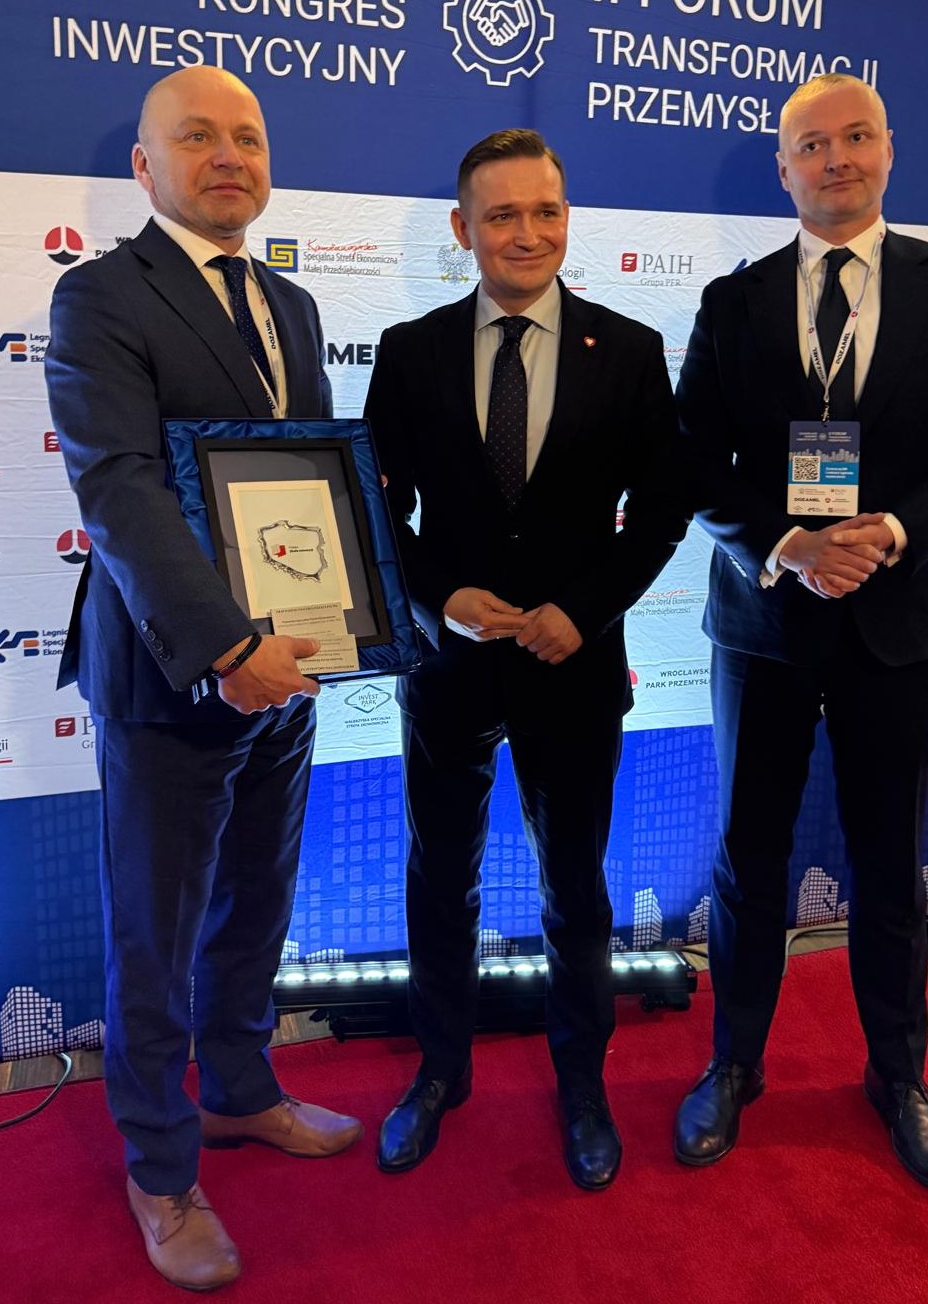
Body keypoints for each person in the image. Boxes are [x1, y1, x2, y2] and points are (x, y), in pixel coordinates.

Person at [673, 74, 928, 1192]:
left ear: (889, 150)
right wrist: (787, 542)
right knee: (749, 857)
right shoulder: (733, 301)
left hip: (902, 619)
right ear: (782, 168)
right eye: (812, 144)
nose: (836, 159)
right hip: (766, 623)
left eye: (856, 137)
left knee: (891, 862)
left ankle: (899, 1077)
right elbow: (692, 460)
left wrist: (893, 530)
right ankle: (734, 1065)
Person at [46, 66, 360, 1292]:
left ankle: (236, 1089)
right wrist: (229, 648)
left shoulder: (292, 304)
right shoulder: (99, 296)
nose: (228, 155)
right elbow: (118, 488)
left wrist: (337, 620)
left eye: (248, 136)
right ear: (146, 165)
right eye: (198, 136)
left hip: (293, 668)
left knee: (256, 905)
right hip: (178, 673)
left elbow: (311, 479)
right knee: (157, 933)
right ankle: (161, 1168)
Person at [364, 129, 687, 1190]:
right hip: (449, 668)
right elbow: (377, 510)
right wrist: (436, 597)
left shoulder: (629, 350)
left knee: (575, 888)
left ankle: (582, 1085)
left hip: (572, 666)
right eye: (501, 214)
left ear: (567, 218)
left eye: (545, 211)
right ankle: (439, 1073)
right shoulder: (409, 350)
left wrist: (581, 612)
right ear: (462, 229)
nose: (527, 233)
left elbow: (662, 511)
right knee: (438, 879)